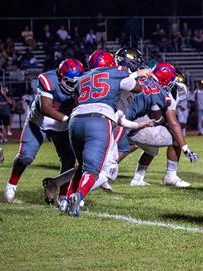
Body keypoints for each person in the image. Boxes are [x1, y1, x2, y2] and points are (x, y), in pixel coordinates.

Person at [63, 50, 153, 216]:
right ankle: (79, 196)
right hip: (99, 119)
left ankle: (66, 200)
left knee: (82, 165)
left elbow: (74, 99)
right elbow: (133, 87)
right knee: (92, 169)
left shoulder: (82, 77)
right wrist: (138, 79)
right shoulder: (117, 72)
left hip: (75, 121)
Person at [4, 59, 84, 204]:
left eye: (77, 82)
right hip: (39, 122)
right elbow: (45, 108)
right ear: (60, 77)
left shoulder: (82, 82)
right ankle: (12, 184)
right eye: (70, 82)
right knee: (25, 157)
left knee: (69, 160)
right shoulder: (48, 79)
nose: (74, 86)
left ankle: (62, 195)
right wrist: (68, 119)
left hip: (62, 127)